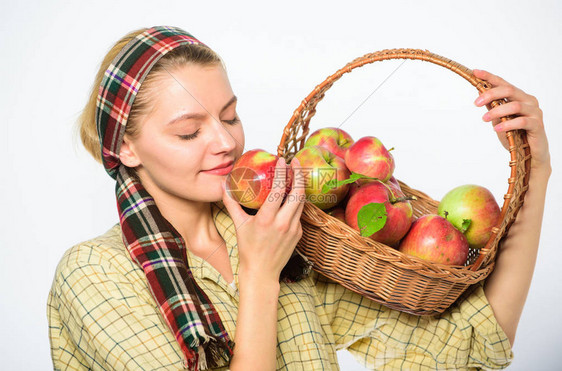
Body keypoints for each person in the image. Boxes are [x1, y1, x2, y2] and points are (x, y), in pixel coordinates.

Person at [47, 25, 551, 371]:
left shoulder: (277, 231)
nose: (225, 142)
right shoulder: (95, 274)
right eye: (188, 132)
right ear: (126, 146)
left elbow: (465, 343)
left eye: (229, 116)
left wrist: (538, 169)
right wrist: (259, 275)